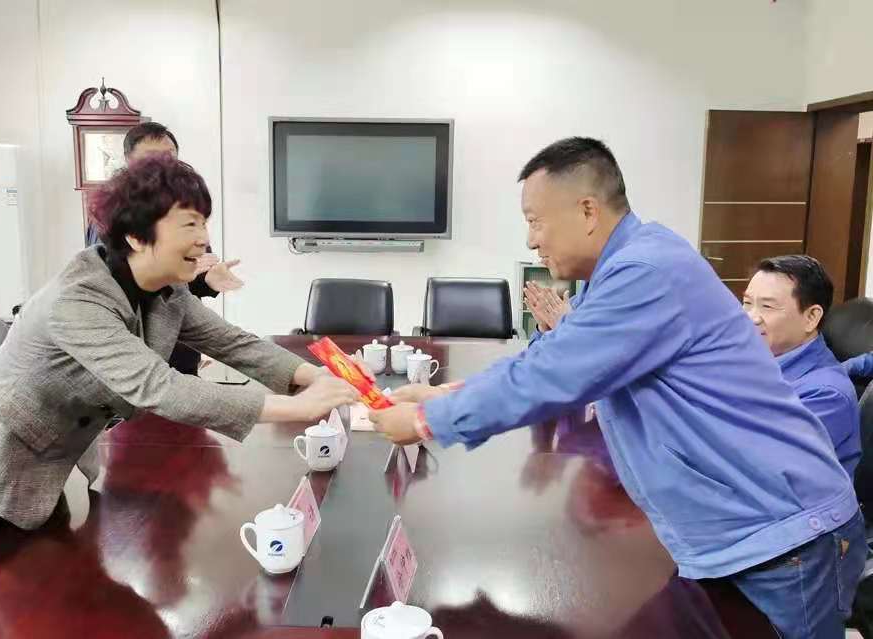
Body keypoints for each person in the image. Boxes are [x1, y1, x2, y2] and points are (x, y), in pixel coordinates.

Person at [370, 137, 865, 638]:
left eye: (536, 221)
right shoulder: (616, 272)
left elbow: (551, 376)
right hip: (730, 533)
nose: (531, 240)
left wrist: (425, 421)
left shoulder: (645, 272)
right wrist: (445, 394)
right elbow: (550, 354)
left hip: (782, 537)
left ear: (587, 211)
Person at [0, 155, 359, 564]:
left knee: (42, 585)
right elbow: (159, 387)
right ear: (135, 235)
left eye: (204, 222)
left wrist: (315, 375)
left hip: (45, 466)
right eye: (189, 223)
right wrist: (298, 408)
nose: (204, 238)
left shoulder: (168, 290)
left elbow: (233, 342)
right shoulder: (76, 300)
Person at [86, 121, 242, 375]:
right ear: (129, 161)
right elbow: (114, 280)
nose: (163, 167)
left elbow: (191, 271)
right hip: (133, 349)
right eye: (152, 159)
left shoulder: (184, 205)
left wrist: (208, 279)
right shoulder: (113, 214)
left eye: (169, 158)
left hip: (181, 344)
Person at [742, 255, 860, 477]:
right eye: (747, 303)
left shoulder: (826, 395)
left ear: (811, 317)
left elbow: (755, 469)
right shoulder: (751, 361)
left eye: (767, 306)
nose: (751, 317)